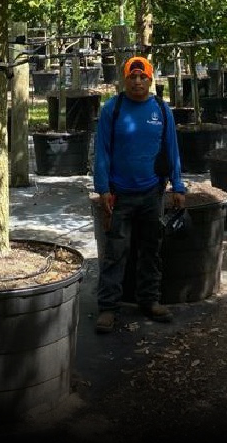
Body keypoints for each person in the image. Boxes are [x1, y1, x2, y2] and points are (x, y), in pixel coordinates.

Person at [93, 54, 185, 334]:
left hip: (152, 193)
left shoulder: (161, 109)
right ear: (124, 79)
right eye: (132, 77)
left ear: (150, 78)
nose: (137, 82)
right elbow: (101, 152)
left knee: (151, 250)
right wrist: (103, 189)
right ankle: (108, 307)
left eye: (142, 77)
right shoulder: (113, 108)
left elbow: (172, 149)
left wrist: (178, 186)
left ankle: (150, 300)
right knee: (115, 252)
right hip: (119, 195)